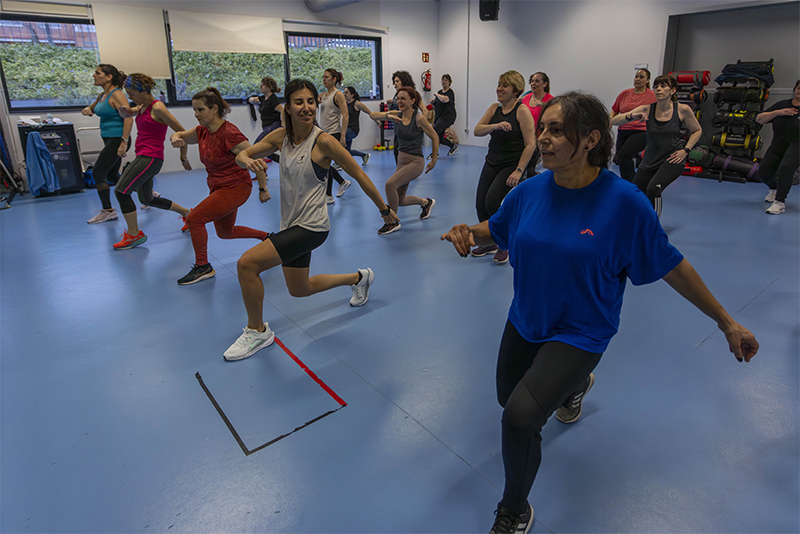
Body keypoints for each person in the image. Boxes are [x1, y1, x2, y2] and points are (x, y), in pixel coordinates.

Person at [441, 91, 758, 534]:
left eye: (556, 130)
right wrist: (465, 233)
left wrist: (727, 321)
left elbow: (672, 265)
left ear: (591, 139)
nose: (545, 139)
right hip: (526, 319)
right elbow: (493, 231)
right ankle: (575, 387)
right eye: (543, 128)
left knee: (519, 418)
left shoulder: (624, 202)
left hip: (582, 330)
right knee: (506, 398)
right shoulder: (530, 191)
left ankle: (514, 509)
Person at [225, 79, 398, 361]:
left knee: (247, 264)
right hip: (291, 224)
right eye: (299, 102)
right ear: (289, 107)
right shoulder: (281, 137)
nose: (306, 108)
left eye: (310, 101)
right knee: (299, 289)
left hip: (312, 227)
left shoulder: (324, 141)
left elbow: (359, 174)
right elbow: (242, 153)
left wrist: (384, 209)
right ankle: (359, 278)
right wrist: (246, 161)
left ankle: (257, 331)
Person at [169, 87, 270, 285]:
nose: (196, 115)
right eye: (194, 111)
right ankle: (267, 237)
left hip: (236, 187)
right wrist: (175, 139)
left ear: (214, 109)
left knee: (194, 219)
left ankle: (203, 266)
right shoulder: (202, 132)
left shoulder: (230, 133)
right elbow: (179, 134)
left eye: (200, 110)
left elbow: (255, 158)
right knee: (225, 232)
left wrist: (263, 188)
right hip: (217, 187)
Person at [112, 73, 192, 250]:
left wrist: (183, 156)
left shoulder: (158, 108)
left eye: (132, 93)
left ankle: (134, 235)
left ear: (143, 91)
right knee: (147, 198)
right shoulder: (141, 107)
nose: (130, 97)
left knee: (121, 191)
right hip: (144, 156)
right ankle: (188, 214)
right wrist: (124, 110)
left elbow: (182, 132)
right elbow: (128, 111)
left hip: (151, 158)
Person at [610, 75, 702, 217]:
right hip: (650, 159)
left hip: (672, 159)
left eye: (663, 86)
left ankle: (654, 224)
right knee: (637, 191)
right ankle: (640, 221)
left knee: (653, 189)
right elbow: (614, 121)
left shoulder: (682, 110)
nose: (658, 89)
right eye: (656, 86)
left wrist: (686, 150)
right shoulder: (647, 109)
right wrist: (633, 116)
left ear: (672, 90)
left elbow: (697, 130)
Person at [472, 70, 537, 265]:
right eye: (499, 84)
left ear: (516, 90)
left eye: (504, 85)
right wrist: (496, 126)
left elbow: (531, 144)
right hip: (492, 161)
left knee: (492, 202)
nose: (499, 89)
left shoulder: (521, 111)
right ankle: (488, 241)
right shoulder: (494, 108)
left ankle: (503, 242)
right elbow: (477, 130)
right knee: (480, 203)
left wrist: (519, 170)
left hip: (511, 164)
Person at [369, 86, 438, 235]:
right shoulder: (396, 114)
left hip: (415, 162)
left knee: (389, 185)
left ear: (412, 101)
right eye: (398, 98)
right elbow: (372, 115)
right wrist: (388, 116)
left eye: (403, 98)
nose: (399, 101)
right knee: (400, 200)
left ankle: (392, 222)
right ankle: (426, 203)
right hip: (402, 161)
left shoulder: (419, 119)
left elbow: (435, 136)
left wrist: (433, 160)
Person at [81, 64, 133, 224]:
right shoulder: (103, 95)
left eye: (97, 73)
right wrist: (88, 109)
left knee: (98, 173)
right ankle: (146, 191)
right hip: (109, 139)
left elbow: (129, 117)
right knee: (112, 175)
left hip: (118, 139)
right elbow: (92, 107)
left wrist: (123, 142)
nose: (94, 75)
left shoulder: (117, 95)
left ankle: (108, 211)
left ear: (109, 76)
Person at [756, 78, 800, 215]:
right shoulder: (782, 105)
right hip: (779, 143)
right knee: (763, 171)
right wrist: (778, 112)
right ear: (794, 90)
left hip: (798, 144)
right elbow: (760, 119)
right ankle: (774, 189)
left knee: (786, 168)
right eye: (799, 88)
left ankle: (779, 203)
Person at [609, 68, 656, 181]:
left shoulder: (652, 95)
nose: (638, 79)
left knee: (625, 154)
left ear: (647, 80)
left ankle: (631, 184)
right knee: (620, 158)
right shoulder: (625, 93)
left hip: (641, 130)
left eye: (641, 77)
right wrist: (610, 120)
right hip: (624, 129)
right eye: (636, 76)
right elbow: (615, 109)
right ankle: (632, 181)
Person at [318, 68, 351, 203]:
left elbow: (345, 115)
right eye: (323, 77)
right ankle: (342, 182)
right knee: (323, 162)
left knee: (325, 162)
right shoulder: (324, 95)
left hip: (334, 133)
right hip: (323, 133)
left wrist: (342, 136)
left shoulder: (338, 95)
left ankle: (329, 195)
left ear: (334, 79)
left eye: (326, 77)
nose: (324, 79)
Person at [249, 76, 285, 160]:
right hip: (266, 127)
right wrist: (251, 99)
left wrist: (283, 127)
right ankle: (279, 161)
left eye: (263, 85)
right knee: (268, 150)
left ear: (269, 87)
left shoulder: (273, 99)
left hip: (273, 126)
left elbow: (283, 111)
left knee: (257, 146)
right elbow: (252, 99)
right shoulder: (263, 99)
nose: (260, 86)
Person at [386, 70, 416, 163]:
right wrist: (390, 105)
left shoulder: (411, 93)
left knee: (406, 152)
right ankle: (401, 171)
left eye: (397, 81)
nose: (395, 84)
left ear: (404, 81)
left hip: (408, 127)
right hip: (398, 127)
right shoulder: (397, 94)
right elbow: (396, 109)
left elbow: (415, 108)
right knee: (396, 151)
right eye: (394, 82)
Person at [429, 74, 458, 157]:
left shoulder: (450, 92)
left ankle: (434, 154)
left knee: (434, 131)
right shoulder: (439, 92)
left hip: (448, 116)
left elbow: (445, 100)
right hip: (440, 116)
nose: (444, 82)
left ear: (449, 82)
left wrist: (436, 95)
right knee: (440, 137)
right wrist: (433, 102)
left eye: (446, 80)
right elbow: (439, 104)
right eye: (442, 80)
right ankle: (453, 147)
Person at [342, 86, 371, 166]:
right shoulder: (345, 104)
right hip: (346, 129)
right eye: (344, 92)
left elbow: (369, 112)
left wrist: (377, 120)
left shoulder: (356, 103)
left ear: (352, 94)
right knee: (348, 151)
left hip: (353, 130)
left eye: (346, 92)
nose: (344, 94)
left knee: (338, 143)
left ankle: (338, 164)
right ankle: (364, 155)